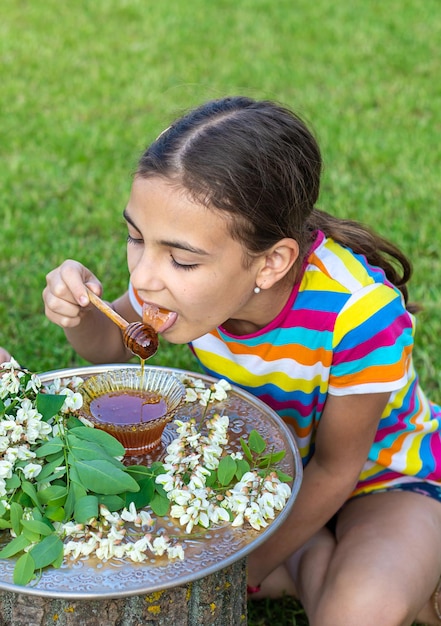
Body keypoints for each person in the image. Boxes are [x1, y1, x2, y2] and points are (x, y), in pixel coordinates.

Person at [43, 96, 441, 626]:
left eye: (181, 258)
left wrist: (237, 572)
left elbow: (337, 468)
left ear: (271, 262)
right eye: (136, 239)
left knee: (357, 612)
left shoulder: (359, 314)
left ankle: (358, 561)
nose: (143, 277)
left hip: (382, 482)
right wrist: (80, 315)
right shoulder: (170, 289)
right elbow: (111, 346)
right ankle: (313, 559)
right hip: (255, 476)